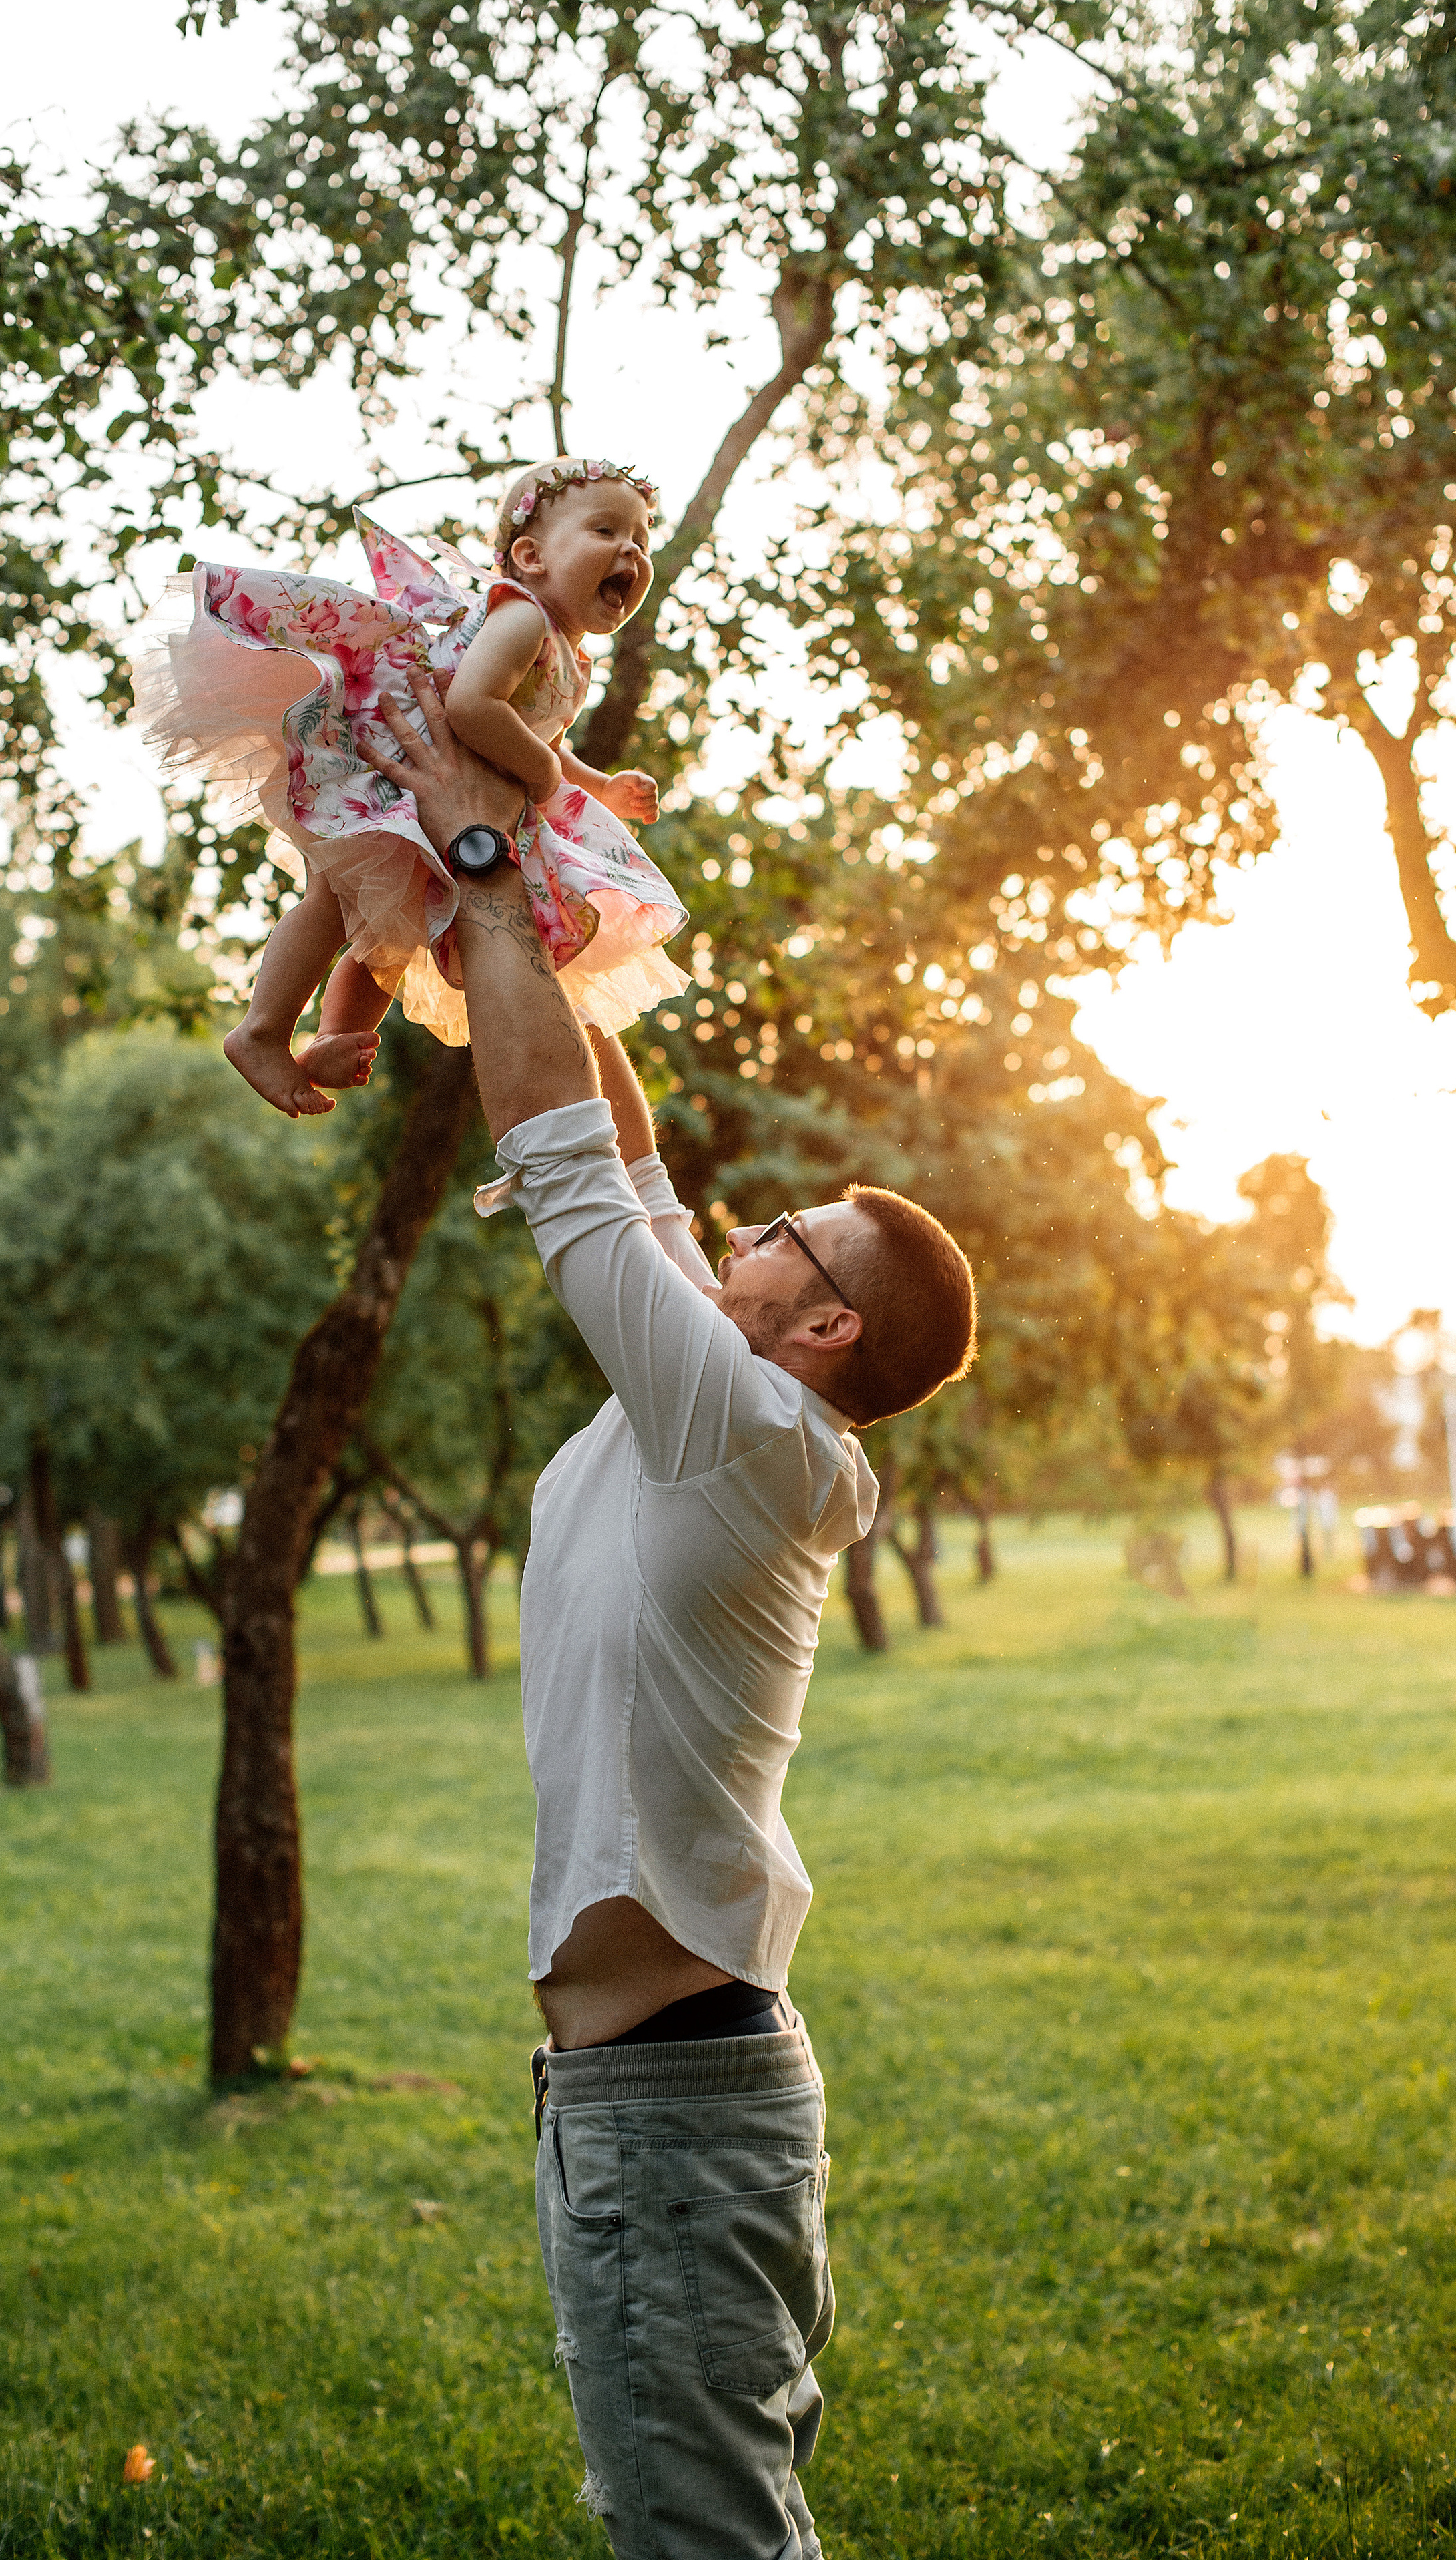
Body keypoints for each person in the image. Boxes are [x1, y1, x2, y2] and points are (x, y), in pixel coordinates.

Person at [358, 676, 977, 2560]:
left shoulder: (749, 1429)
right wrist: (546, 901)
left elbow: (561, 1161)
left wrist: (472, 857)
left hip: (673, 2112)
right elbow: (619, 1142)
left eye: (780, 1238)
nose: (738, 1230)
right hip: (645, 2093)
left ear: (822, 1330)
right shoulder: (724, 1410)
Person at [134, 458, 688, 1117]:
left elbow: (546, 742)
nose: (630, 549)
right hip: (389, 773)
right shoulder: (523, 620)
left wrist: (598, 785)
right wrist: (540, 773)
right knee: (335, 902)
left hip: (438, 801)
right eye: (606, 529)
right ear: (531, 555)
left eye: (642, 540)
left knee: (386, 936)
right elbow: (473, 708)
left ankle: (335, 1036)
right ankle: (259, 1030)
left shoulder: (569, 652)